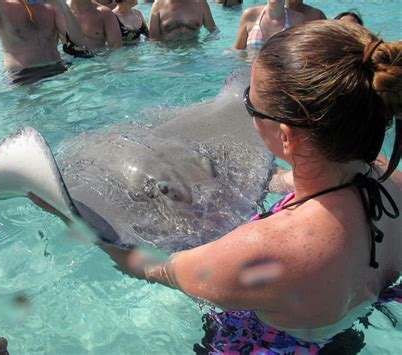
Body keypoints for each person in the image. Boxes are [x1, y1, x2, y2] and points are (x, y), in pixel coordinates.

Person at [96, 20, 402, 353]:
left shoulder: (264, 249)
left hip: (271, 344)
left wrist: (63, 208)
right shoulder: (392, 179)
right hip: (349, 324)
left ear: (285, 136)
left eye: (250, 106)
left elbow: (152, 268)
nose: (247, 115)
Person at [0, 0, 86, 84]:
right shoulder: (2, 6)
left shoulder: (51, 8)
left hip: (57, 70)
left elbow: (78, 41)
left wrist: (63, 5)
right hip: (22, 77)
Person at [233, 0, 305, 50]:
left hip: (282, 71)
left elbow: (301, 54)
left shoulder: (298, 19)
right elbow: (238, 51)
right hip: (250, 70)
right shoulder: (250, 15)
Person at [148, 0, 217, 41]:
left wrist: (205, 44)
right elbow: (153, 38)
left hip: (195, 54)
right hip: (169, 55)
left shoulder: (201, 3)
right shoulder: (158, 5)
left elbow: (213, 31)